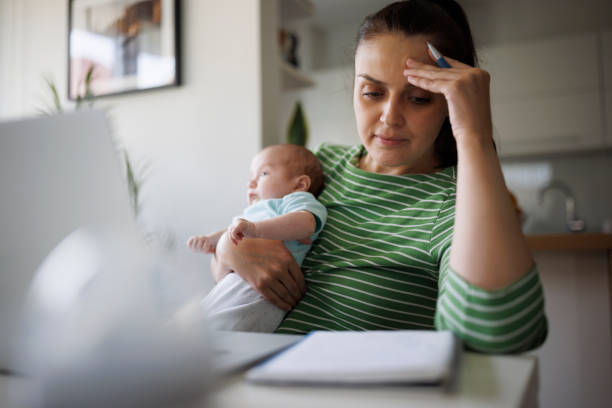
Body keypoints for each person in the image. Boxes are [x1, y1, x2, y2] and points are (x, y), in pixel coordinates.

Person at [212, 0, 548, 353]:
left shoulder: (454, 203)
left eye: (418, 99)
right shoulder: (317, 166)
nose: (390, 117)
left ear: (450, 103)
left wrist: (475, 134)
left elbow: (503, 334)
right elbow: (230, 272)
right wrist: (228, 249)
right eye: (372, 92)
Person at [187, 144, 327, 332]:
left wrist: (256, 229)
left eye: (263, 174)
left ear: (300, 184)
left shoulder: (295, 200)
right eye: (250, 178)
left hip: (265, 290)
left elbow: (305, 223)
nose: (251, 184)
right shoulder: (254, 212)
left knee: (212, 333)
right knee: (194, 326)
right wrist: (212, 241)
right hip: (239, 281)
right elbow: (231, 233)